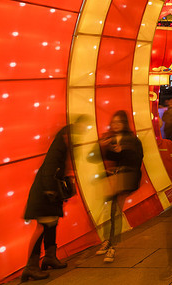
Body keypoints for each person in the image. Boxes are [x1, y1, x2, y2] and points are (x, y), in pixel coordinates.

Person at [21, 118, 86, 281]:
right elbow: (50, 168)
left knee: (51, 225)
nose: (80, 136)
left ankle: (50, 257)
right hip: (45, 193)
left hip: (50, 192)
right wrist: (50, 190)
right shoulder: (60, 145)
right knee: (42, 227)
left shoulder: (64, 146)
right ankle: (31, 266)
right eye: (79, 132)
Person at [96, 110, 144, 263]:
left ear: (124, 124)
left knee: (115, 211)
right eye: (114, 122)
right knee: (109, 210)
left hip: (128, 177)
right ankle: (109, 241)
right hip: (115, 177)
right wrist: (104, 148)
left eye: (119, 122)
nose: (115, 125)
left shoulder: (132, 140)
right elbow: (105, 158)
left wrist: (123, 150)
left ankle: (112, 246)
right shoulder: (110, 139)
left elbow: (137, 159)